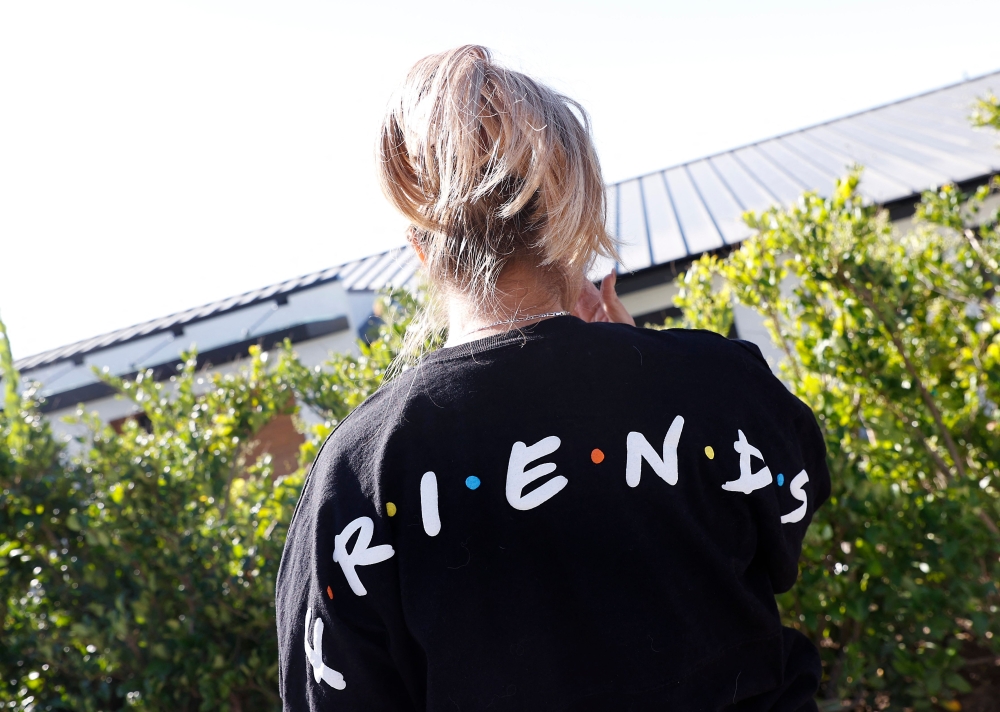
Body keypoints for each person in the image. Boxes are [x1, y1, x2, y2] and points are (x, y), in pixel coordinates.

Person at [276, 45, 829, 711]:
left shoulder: (360, 473)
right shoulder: (720, 387)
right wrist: (647, 379)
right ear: (574, 212)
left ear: (420, 249)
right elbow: (785, 526)